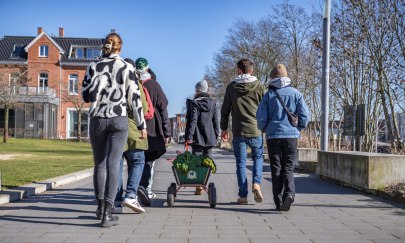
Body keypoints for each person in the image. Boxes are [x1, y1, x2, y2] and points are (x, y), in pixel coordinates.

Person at [82, 33, 147, 227]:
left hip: (98, 119)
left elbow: (86, 95)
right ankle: (108, 213)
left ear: (105, 46)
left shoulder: (92, 66)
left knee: (99, 164)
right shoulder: (127, 68)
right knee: (113, 163)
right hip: (118, 119)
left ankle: (100, 207)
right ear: (120, 47)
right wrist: (141, 125)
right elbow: (135, 100)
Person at [256, 64, 309, 211]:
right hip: (291, 136)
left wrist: (265, 128)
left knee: (276, 168)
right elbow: (305, 115)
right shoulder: (296, 93)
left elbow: (261, 118)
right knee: (288, 167)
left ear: (272, 78)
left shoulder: (269, 95)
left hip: (273, 136)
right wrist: (297, 129)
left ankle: (278, 201)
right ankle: (289, 194)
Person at [220, 58, 266, 204]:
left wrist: (223, 129)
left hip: (239, 131)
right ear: (251, 70)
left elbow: (225, 110)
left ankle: (243, 196)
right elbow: (266, 106)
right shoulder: (259, 86)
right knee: (258, 158)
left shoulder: (232, 87)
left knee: (241, 162)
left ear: (239, 70)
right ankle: (256, 183)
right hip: (256, 130)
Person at [114, 58, 151, 214]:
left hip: (114, 127)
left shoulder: (113, 81)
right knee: (138, 161)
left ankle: (115, 202)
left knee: (116, 165)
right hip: (133, 128)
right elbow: (142, 105)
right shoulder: (134, 82)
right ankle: (130, 195)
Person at [135, 58, 170, 204]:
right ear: (147, 68)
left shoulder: (131, 82)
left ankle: (134, 189)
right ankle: (144, 187)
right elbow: (163, 108)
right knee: (148, 159)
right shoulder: (154, 85)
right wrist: (166, 131)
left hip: (133, 125)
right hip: (151, 126)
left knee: (135, 158)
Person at [185, 80, 219, 195]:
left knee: (197, 162)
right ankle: (204, 183)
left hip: (197, 137)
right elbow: (215, 121)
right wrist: (216, 135)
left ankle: (199, 185)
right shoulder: (213, 103)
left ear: (198, 90)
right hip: (210, 137)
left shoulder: (195, 103)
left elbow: (193, 121)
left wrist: (189, 135)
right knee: (207, 162)